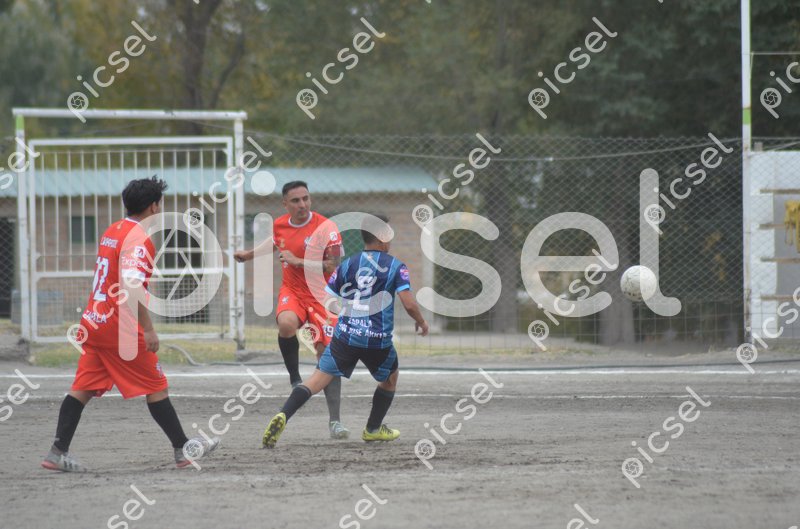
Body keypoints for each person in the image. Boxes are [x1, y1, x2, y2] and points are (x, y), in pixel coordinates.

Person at [40, 176, 218, 472]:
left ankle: (57, 452)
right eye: (160, 204)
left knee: (82, 388)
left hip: (94, 320)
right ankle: (183, 449)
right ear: (153, 207)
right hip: (118, 327)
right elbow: (133, 286)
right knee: (157, 386)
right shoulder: (139, 237)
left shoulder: (113, 229)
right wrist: (148, 329)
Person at [261, 215, 429, 448]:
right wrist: (421, 321)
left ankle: (283, 414)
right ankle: (373, 429)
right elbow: (409, 304)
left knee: (316, 380)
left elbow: (328, 298)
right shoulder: (395, 266)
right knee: (390, 378)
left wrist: (344, 315)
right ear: (382, 238)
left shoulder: (348, 264)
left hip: (345, 337)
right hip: (377, 340)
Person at [234, 181, 349, 439]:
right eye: (296, 200)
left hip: (321, 295)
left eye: (306, 198)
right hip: (293, 291)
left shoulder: (326, 227)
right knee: (286, 323)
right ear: (285, 204)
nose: (302, 204)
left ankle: (335, 421)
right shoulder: (279, 224)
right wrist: (249, 254)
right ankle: (295, 379)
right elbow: (276, 242)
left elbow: (333, 265)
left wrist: (298, 261)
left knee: (326, 355)